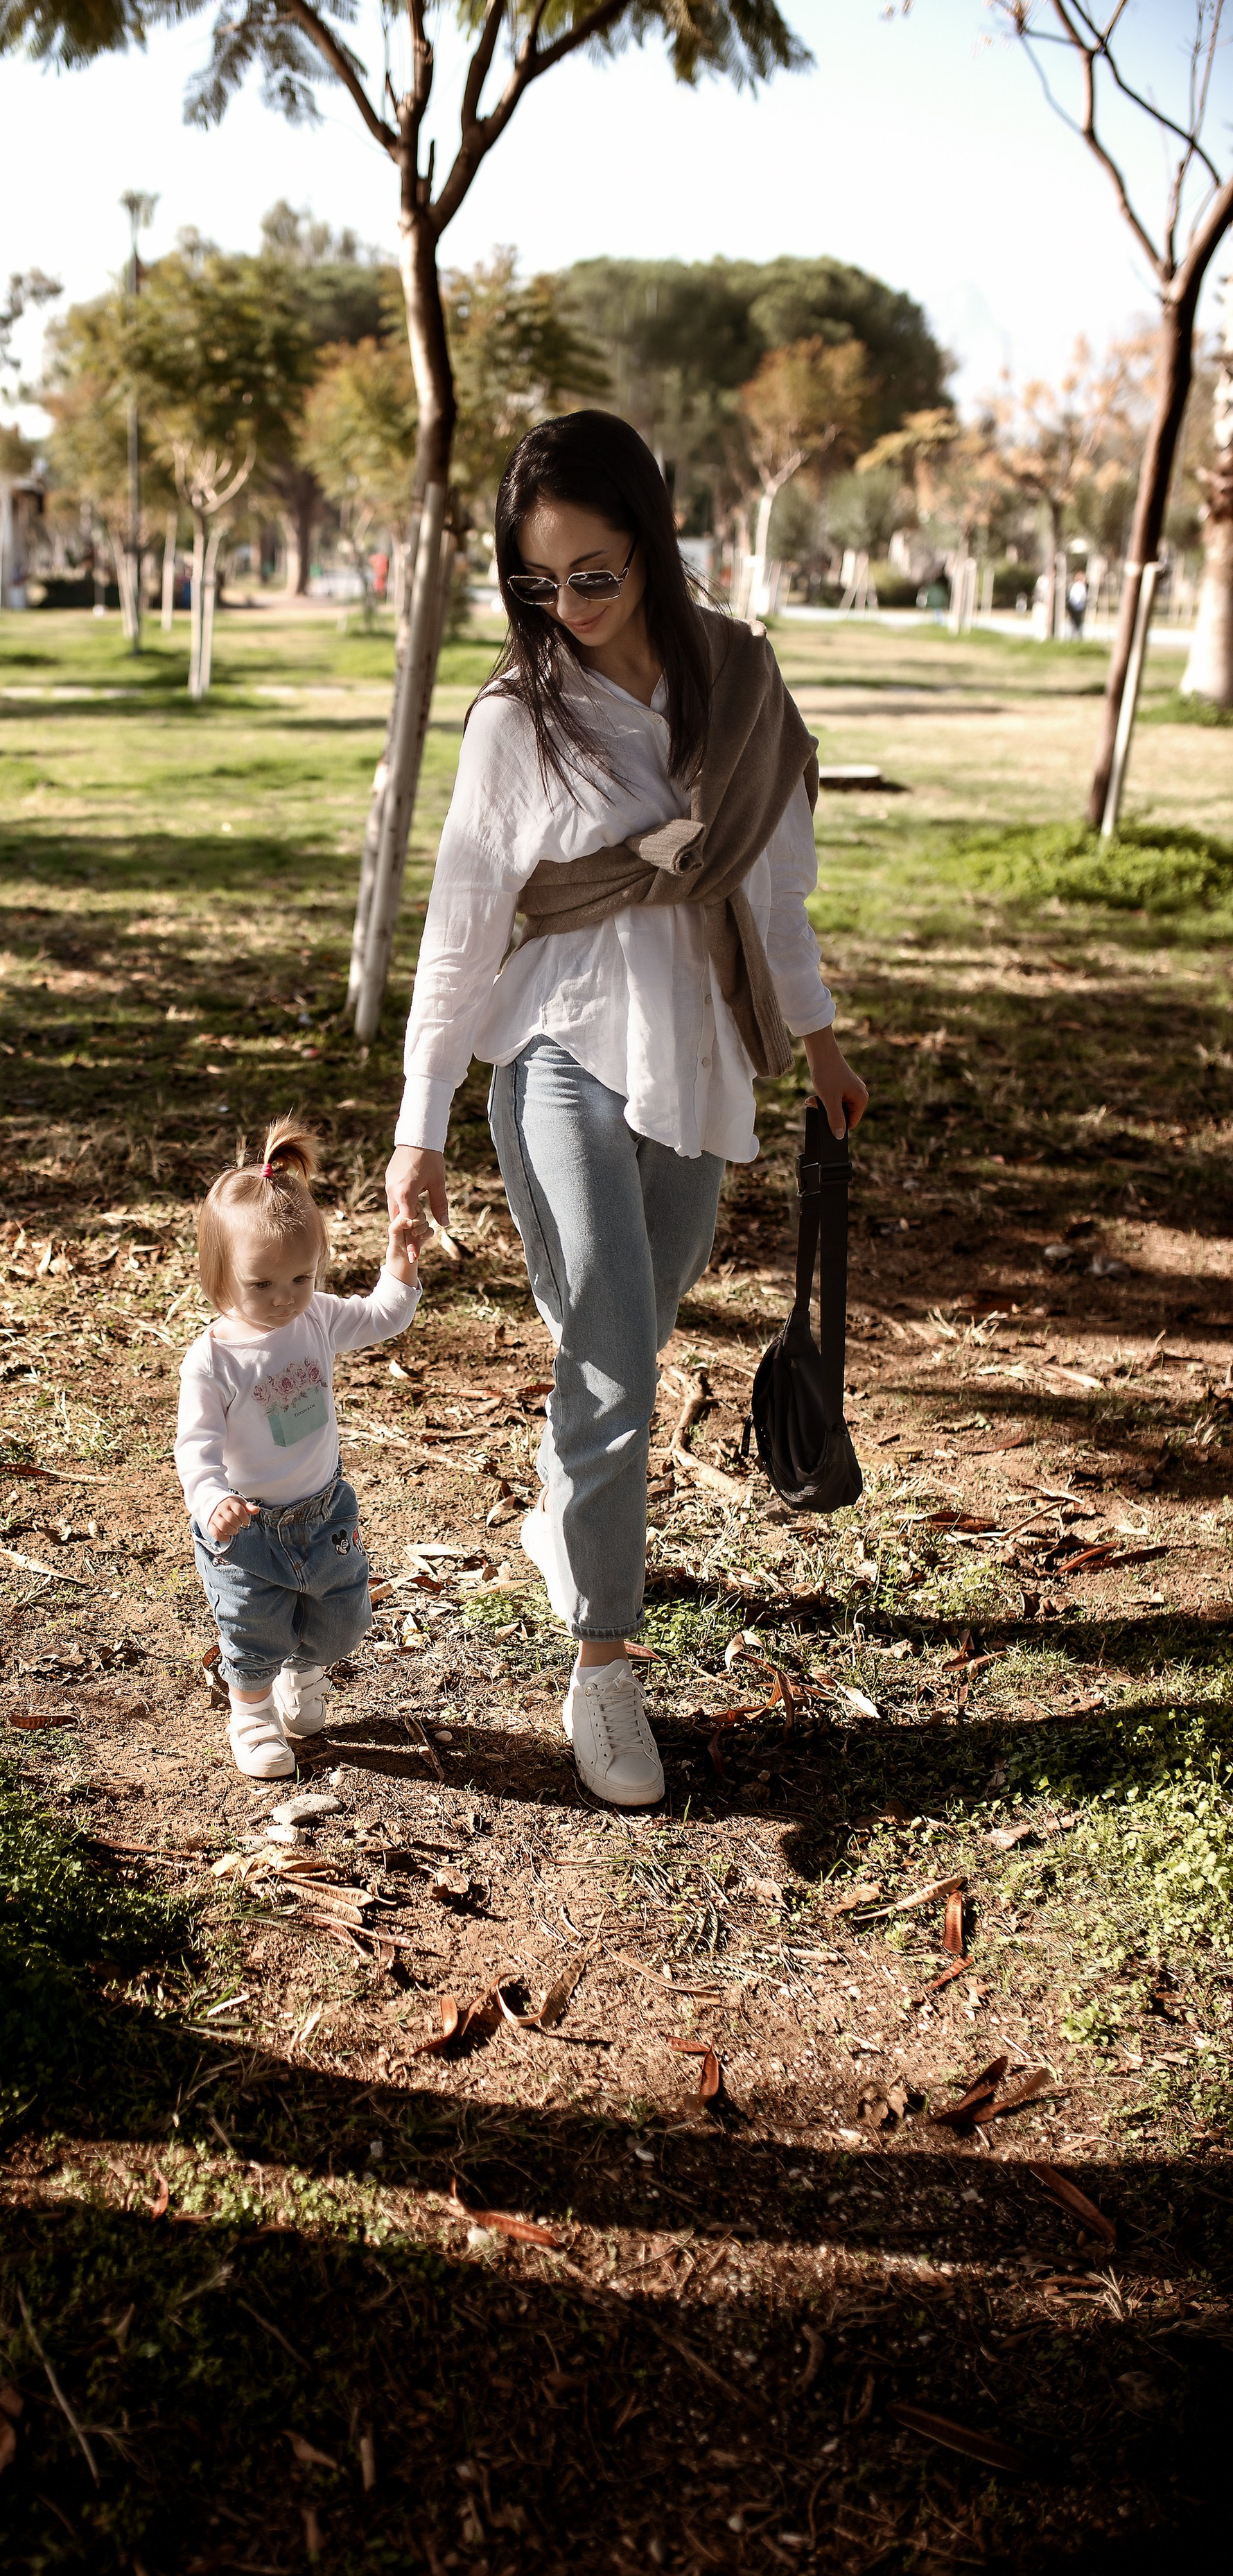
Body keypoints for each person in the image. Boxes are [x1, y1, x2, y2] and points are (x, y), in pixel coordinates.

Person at [385, 410, 868, 1810]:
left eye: (589, 576)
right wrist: (419, 1124)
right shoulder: (513, 717)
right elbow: (462, 924)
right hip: (551, 1044)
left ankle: (561, 1496)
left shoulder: (738, 683)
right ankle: (603, 1665)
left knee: (636, 1321)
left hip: (697, 1047)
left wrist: (821, 1047)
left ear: (652, 546)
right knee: (611, 1341)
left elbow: (772, 894)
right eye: (535, 586)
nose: (563, 610)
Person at [177, 1118, 424, 1779]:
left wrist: (400, 1258)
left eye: (302, 1278)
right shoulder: (213, 1360)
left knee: (344, 1618)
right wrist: (211, 1499)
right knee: (253, 1628)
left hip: (322, 1511)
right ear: (221, 1274)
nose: (285, 1299)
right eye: (263, 1284)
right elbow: (195, 1446)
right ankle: (252, 1710)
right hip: (248, 1525)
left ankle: (306, 1667)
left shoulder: (314, 1317)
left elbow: (382, 1316)